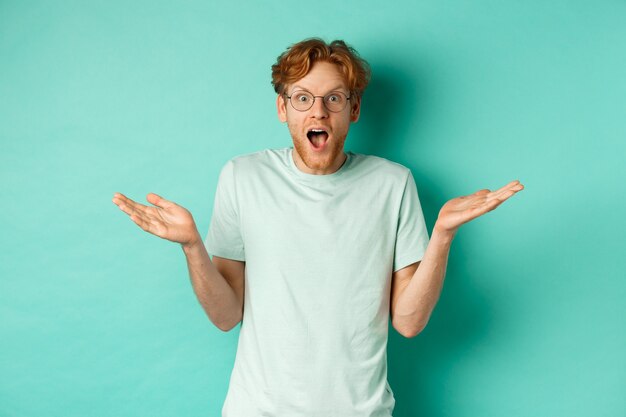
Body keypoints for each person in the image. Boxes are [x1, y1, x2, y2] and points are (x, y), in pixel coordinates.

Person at [112, 38, 524, 417]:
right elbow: (225, 316)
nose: (318, 111)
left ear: (354, 108)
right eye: (303, 98)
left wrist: (443, 235)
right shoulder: (243, 176)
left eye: (333, 98)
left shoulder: (392, 183)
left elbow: (409, 322)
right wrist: (192, 247)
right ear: (283, 108)